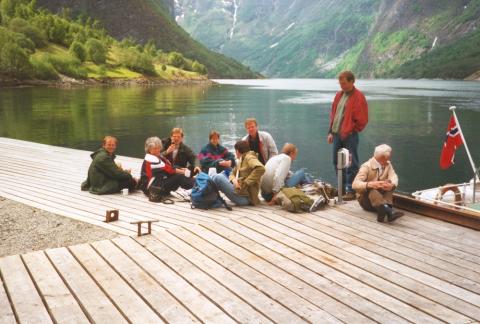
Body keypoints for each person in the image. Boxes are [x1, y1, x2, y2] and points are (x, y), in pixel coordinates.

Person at [327, 71, 368, 200]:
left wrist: (351, 130)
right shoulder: (339, 95)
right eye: (340, 83)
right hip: (337, 134)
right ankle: (341, 189)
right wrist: (331, 132)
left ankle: (351, 189)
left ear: (352, 81)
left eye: (344, 83)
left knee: (351, 163)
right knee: (336, 161)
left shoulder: (358, 97)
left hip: (350, 135)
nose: (342, 86)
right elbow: (333, 114)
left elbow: (362, 119)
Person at [352, 144, 404, 223]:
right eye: (389, 156)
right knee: (372, 189)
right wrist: (370, 184)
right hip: (366, 201)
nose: (390, 157)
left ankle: (386, 209)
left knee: (389, 185)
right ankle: (388, 211)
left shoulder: (388, 165)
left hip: (380, 200)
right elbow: (355, 184)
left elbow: (394, 177)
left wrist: (392, 185)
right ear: (384, 157)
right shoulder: (366, 166)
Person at [212, 140, 265, 206]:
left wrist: (246, 182)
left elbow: (261, 168)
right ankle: (210, 198)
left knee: (218, 178)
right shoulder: (242, 158)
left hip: (246, 198)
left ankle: (207, 198)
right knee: (218, 174)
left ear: (237, 151)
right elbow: (232, 173)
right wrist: (234, 180)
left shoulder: (249, 157)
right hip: (239, 191)